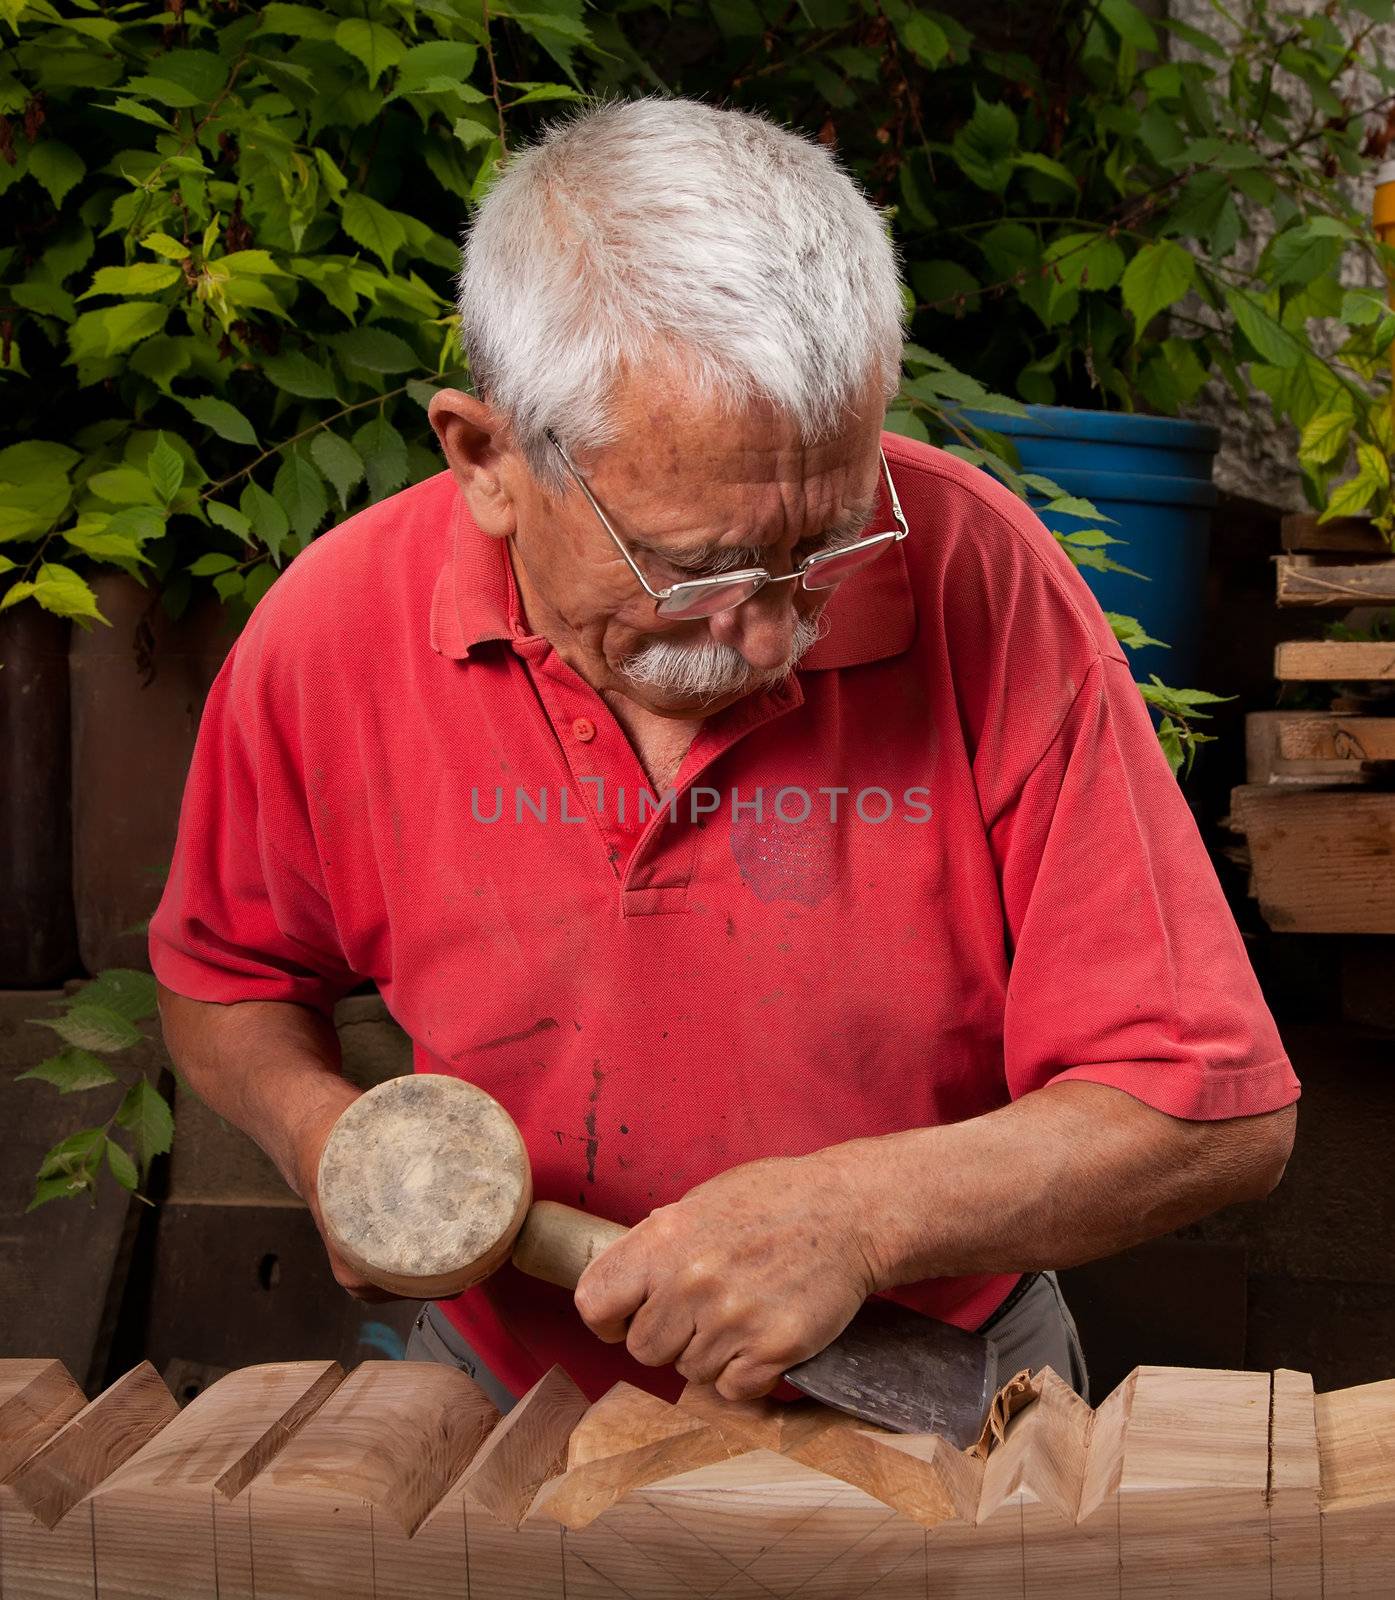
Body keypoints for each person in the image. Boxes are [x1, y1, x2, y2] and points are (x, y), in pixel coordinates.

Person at [150, 97, 1298, 1417]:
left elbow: (1210, 1110)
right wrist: (325, 1140)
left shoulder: (981, 577)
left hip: (930, 1374)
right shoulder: (336, 626)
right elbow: (222, 975)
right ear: (487, 458)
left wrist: (861, 1222)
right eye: (694, 567)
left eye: (819, 549)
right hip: (499, 1387)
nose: (766, 628)